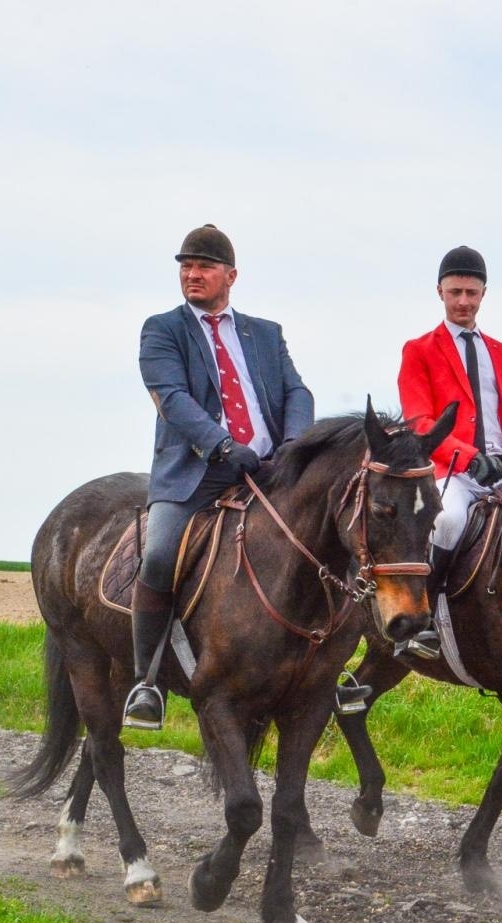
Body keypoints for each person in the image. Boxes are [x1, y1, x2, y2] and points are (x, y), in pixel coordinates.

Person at [123, 224, 315, 728]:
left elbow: (298, 392)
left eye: (204, 266)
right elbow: (173, 399)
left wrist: (294, 447)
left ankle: (324, 670)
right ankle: (147, 681)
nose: (192, 274)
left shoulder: (265, 333)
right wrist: (224, 446)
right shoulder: (162, 330)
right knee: (160, 553)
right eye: (186, 266)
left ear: (231, 275)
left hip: (271, 469)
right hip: (197, 472)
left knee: (326, 539)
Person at [396, 245, 502, 657]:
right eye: (455, 292)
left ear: (483, 294)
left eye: (471, 293)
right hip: (453, 471)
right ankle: (422, 620)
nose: (463, 301)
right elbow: (420, 423)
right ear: (440, 292)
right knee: (447, 521)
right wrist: (468, 458)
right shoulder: (419, 350)